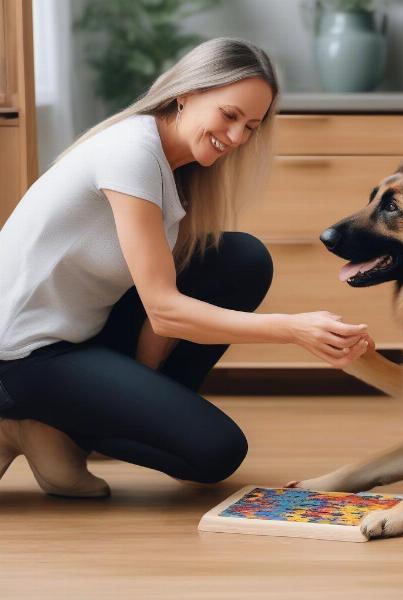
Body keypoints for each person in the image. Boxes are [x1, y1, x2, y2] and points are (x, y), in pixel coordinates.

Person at [0, 38, 372, 498]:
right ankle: (21, 420)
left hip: (78, 336)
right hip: (21, 356)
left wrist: (143, 385)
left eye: (251, 127)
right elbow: (165, 311)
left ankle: (61, 427)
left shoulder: (176, 168)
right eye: (229, 115)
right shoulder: (131, 152)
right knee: (216, 451)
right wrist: (294, 328)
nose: (237, 138)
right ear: (187, 95)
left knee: (240, 260)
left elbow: (170, 286)